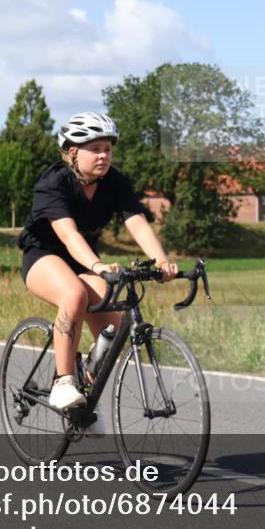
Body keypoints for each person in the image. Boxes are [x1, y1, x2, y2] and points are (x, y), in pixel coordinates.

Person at [17, 111, 179, 418]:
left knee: (114, 330)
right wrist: (98, 265)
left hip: (83, 262)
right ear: (73, 152)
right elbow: (68, 234)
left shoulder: (114, 182)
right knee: (73, 295)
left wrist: (161, 261)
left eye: (107, 148)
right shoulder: (53, 183)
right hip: (44, 257)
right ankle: (63, 382)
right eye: (95, 149)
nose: (104, 155)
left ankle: (81, 405)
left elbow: (137, 223)